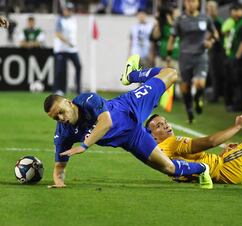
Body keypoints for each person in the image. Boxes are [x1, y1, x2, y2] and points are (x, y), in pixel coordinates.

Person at [44, 55, 213, 189]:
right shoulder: (63, 134)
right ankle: (203, 168)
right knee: (169, 168)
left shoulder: (87, 99)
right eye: (55, 118)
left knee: (171, 73)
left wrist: (84, 145)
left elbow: (106, 123)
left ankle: (132, 75)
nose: (60, 118)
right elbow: (60, 167)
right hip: (132, 138)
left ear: (68, 102)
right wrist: (59, 183)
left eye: (60, 112)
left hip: (131, 105)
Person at [167, 0, 218, 123]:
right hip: (185, 57)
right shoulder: (180, 19)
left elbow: (215, 34)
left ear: (198, 3)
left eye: (193, 1)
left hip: (201, 56)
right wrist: (168, 56)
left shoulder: (205, 18)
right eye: (188, 2)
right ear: (185, 4)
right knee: (185, 87)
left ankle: (197, 98)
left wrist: (210, 42)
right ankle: (189, 111)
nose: (190, 4)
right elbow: (172, 37)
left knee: (200, 84)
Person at [222, 2, 242, 112]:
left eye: (236, 10)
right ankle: (240, 104)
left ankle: (240, 105)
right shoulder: (237, 23)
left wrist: (236, 57)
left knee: (239, 82)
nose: (233, 13)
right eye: (232, 10)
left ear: (241, 11)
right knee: (236, 82)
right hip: (236, 57)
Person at [53, 2, 82, 95]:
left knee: (78, 66)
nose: (68, 11)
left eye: (70, 10)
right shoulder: (60, 20)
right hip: (62, 49)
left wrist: (72, 44)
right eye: (67, 9)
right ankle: (59, 89)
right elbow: (57, 33)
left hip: (73, 49)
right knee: (61, 70)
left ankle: (78, 89)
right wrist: (67, 42)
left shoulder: (73, 20)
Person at [206, 0, 224, 103]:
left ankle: (216, 96)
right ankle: (215, 93)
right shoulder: (209, 21)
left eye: (212, 8)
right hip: (212, 50)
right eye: (209, 8)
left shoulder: (218, 21)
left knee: (215, 73)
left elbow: (217, 37)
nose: (210, 10)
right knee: (213, 73)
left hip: (217, 50)